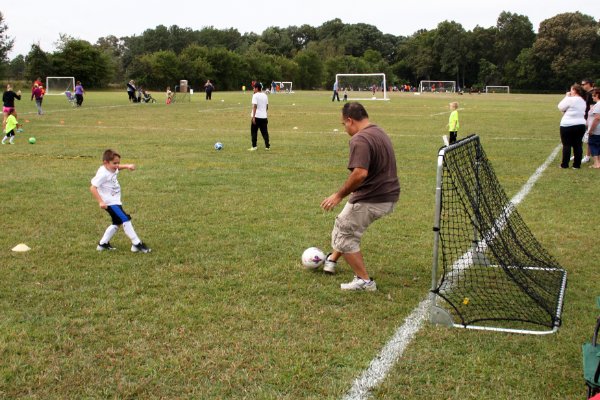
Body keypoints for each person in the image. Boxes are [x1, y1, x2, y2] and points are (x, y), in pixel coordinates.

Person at [320, 102, 400, 291]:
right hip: (388, 195)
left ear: (350, 120)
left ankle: (364, 281)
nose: (344, 128)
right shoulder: (378, 131)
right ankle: (331, 259)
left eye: (343, 124)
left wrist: (339, 195)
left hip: (373, 197)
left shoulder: (360, 139)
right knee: (347, 226)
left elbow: (360, 173)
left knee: (344, 232)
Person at [90, 149, 152, 253]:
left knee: (117, 222)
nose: (117, 165)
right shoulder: (103, 174)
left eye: (118, 162)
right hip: (109, 202)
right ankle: (136, 244)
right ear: (105, 163)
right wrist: (101, 201)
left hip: (115, 201)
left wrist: (127, 166)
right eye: (115, 163)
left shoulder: (111, 168)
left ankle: (103, 244)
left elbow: (118, 167)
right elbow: (93, 187)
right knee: (125, 219)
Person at [558, 83, 587, 169]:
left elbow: (560, 107)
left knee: (566, 145)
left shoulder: (570, 99)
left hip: (567, 125)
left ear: (574, 90)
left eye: (571, 90)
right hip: (581, 124)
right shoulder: (583, 100)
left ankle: (565, 164)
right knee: (578, 145)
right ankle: (577, 165)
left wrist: (566, 96)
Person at [248, 82, 270, 151]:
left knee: (254, 132)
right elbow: (267, 107)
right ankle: (267, 146)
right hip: (264, 117)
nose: (253, 89)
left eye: (254, 88)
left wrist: (253, 117)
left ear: (257, 88)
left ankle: (254, 146)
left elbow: (254, 106)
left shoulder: (255, 95)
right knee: (265, 132)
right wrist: (264, 114)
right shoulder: (265, 95)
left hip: (257, 117)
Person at [580, 78, 596, 163]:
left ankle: (587, 156)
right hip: (586, 117)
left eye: (584, 84)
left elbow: (592, 109)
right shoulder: (587, 93)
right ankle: (579, 153)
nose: (582, 86)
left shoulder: (592, 93)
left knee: (588, 138)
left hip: (590, 119)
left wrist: (588, 120)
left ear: (589, 84)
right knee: (584, 137)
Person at [586, 88, 600, 169]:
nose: (592, 97)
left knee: (593, 145)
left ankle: (596, 163)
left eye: (593, 96)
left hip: (596, 130)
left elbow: (597, 118)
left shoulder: (598, 105)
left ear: (597, 95)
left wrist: (591, 129)